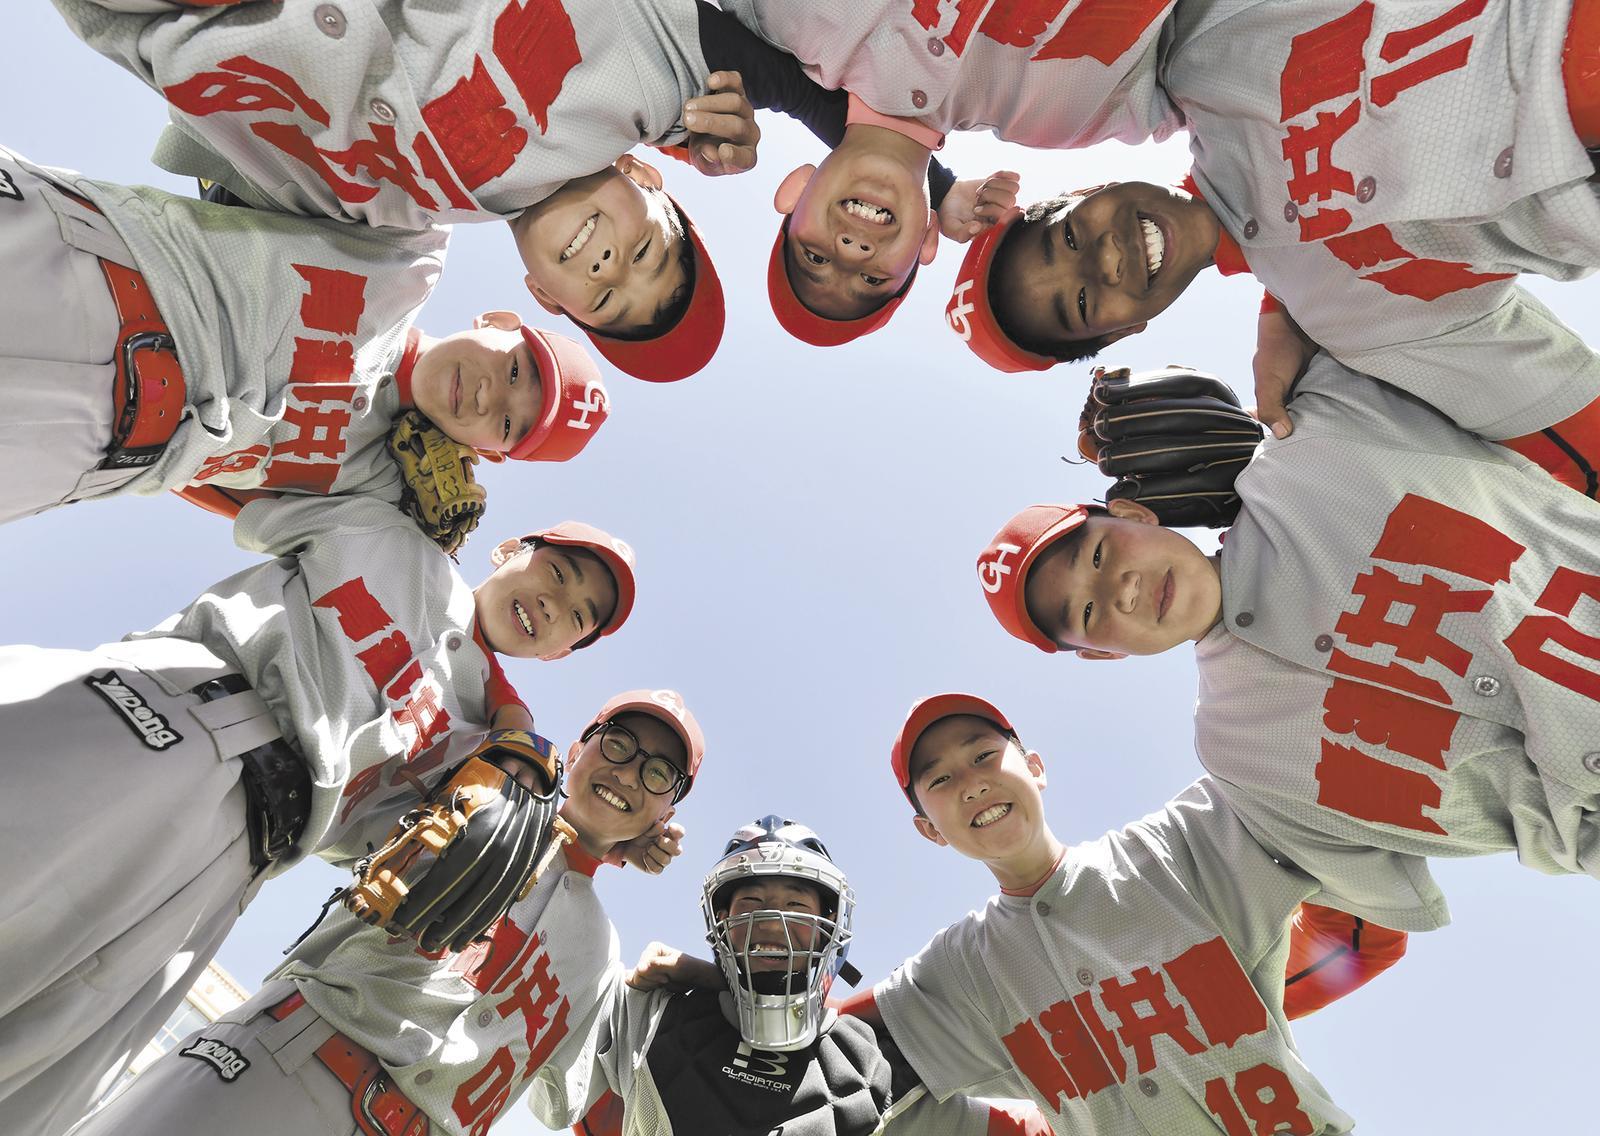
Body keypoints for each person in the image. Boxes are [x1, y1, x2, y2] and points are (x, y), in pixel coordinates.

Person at [0, 502, 637, 1136]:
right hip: (154, 710)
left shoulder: (489, 757)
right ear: (509, 549)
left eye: (578, 616)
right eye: (558, 572)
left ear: (561, 652)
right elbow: (225, 473)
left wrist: (606, 835)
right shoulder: (389, 531)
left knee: (37, 1077)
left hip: (233, 864)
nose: (555, 603)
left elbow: (413, 856)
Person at [52, 0, 1001, 380]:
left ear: (545, 297)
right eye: (646, 251)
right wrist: (938, 181)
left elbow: (242, 220)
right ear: (648, 179)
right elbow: (800, 85)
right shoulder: (651, 85)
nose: (609, 263)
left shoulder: (399, 222)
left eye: (604, 296)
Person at [977, 355, 1600, 931]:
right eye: (1088, 612)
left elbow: (1374, 299)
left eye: (1099, 554)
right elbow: (1376, 904)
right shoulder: (1240, 757)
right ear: (1102, 654)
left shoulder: (1310, 450)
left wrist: (1280, 326)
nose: (1123, 587)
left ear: (1134, 515)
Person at [942, 0, 1600, 492]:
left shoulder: (1204, 42)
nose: (1106, 260)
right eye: (1082, 303)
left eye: (1068, 235)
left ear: (1087, 187)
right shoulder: (1345, 320)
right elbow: (1572, 433)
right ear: (1125, 331)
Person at [69, 689, 705, 1136]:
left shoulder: (602, 952)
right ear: (580, 745)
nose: (629, 773)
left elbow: (569, 1102)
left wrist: (692, 971)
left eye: (658, 774)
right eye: (619, 743)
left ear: (666, 812)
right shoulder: (486, 790)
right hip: (291, 1061)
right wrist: (530, 777)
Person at [850, 693, 1411, 1134]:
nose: (973, 783)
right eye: (941, 779)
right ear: (929, 829)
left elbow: (1367, 931)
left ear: (1036, 766)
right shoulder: (958, 969)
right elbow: (826, 1033)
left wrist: (1229, 997)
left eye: (982, 755)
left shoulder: (1179, 843)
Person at [0, 142, 611, 528]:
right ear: (500, 322)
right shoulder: (410, 248)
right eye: (514, 371)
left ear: (488, 454)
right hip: (81, 263)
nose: (488, 397)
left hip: (70, 448)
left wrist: (412, 544)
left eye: (507, 424)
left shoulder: (375, 492)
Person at [551, 815, 1053, 1135]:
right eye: (751, 902)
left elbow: (1045, 1124)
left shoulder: (873, 1068)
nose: (773, 922)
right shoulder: (647, 1013)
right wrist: (595, 840)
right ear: (721, 922)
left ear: (830, 928)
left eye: (796, 905)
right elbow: (546, 1086)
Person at [721, 0, 1177, 344]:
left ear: (795, 191)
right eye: (873, 279)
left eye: (815, 258)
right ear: (927, 241)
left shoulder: (781, 13)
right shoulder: (1070, 113)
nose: (853, 252)